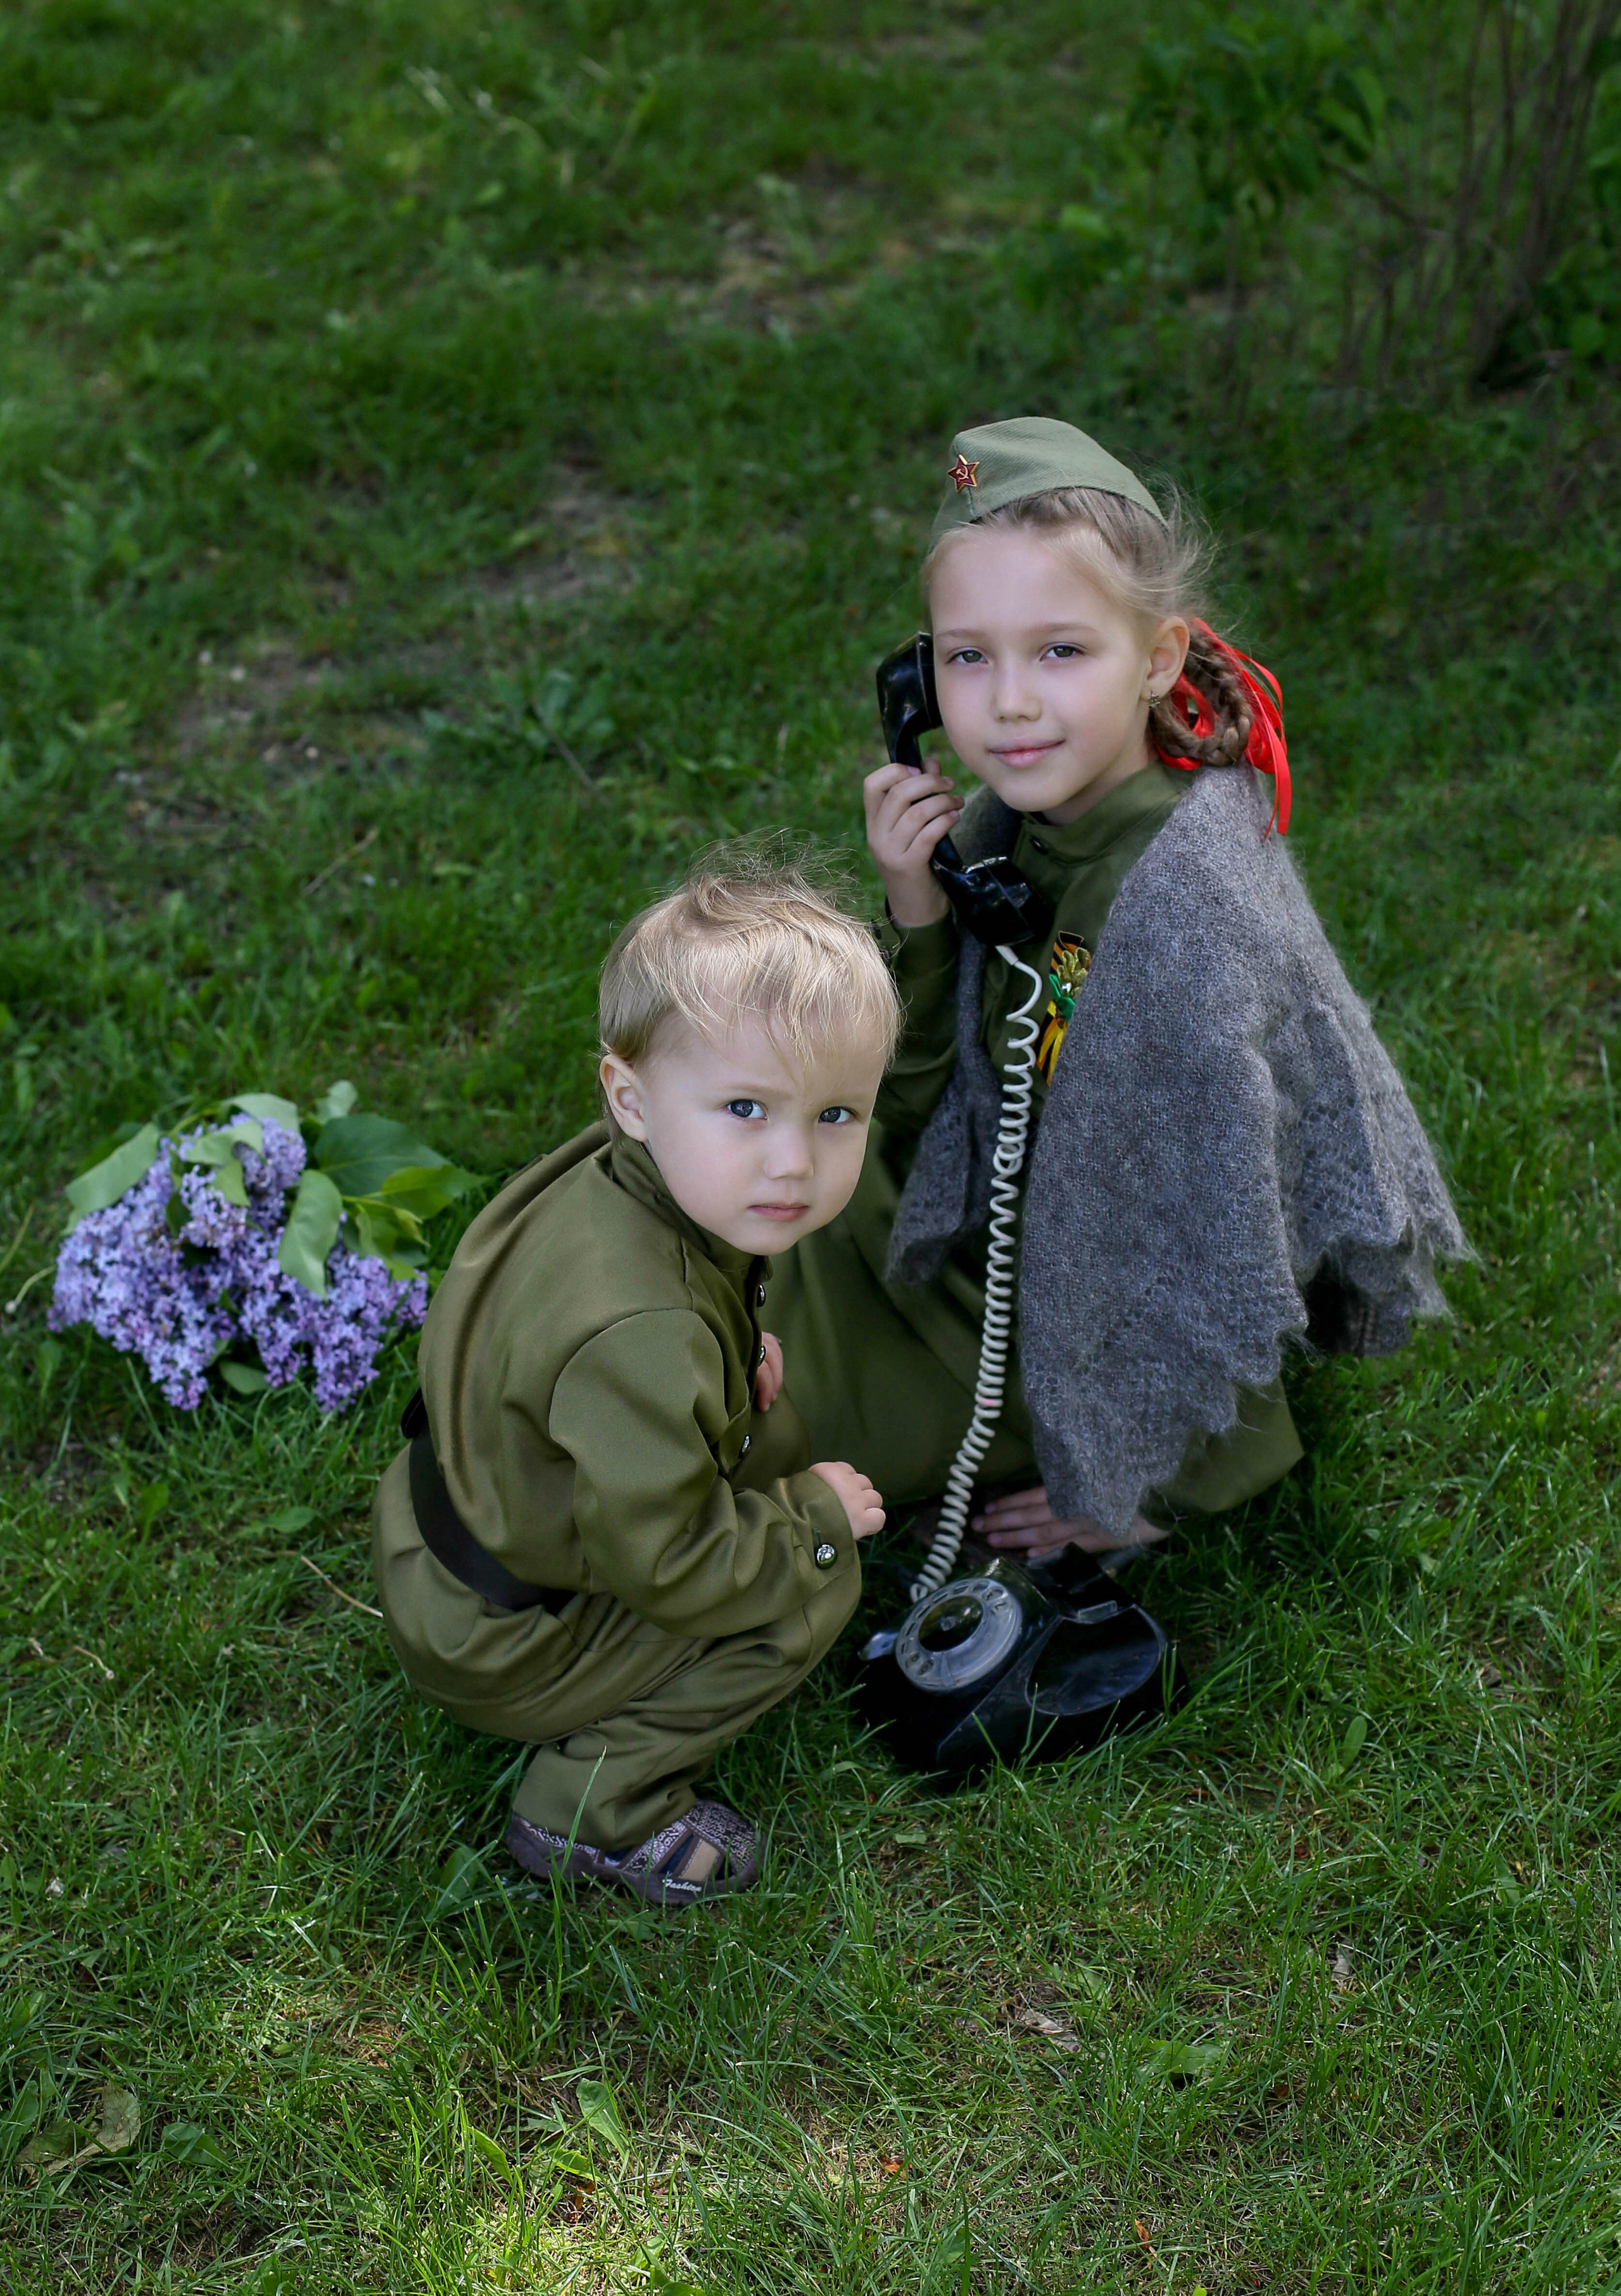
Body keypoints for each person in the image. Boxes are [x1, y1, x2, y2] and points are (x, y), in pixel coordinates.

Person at [770, 415, 1466, 1566]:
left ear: (1156, 658)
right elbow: (928, 1092)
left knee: (755, 1411)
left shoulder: (1186, 910)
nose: (1009, 702)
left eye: (1060, 651)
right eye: (968, 657)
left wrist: (1154, 1479)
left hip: (1074, 1308)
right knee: (712, 1191)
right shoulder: (1019, 826)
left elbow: (1224, 1205)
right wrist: (922, 908)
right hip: (977, 1219)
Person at [372, 861, 899, 1907]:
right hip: (499, 1631)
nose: (794, 1160)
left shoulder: (621, 1175)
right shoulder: (644, 1331)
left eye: (836, 1113)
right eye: (746, 1107)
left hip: (447, 1525)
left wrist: (726, 1354)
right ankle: (592, 1810)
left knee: (770, 1432)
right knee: (815, 1585)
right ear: (632, 1095)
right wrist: (812, 1525)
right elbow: (670, 1563)